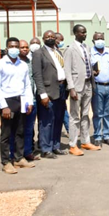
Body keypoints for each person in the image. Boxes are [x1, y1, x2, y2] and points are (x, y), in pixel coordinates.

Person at [0, 37, 35, 174]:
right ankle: (6, 161)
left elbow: (27, 84)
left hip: (21, 100)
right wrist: (4, 106)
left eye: (17, 46)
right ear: (6, 48)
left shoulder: (22, 64)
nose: (15, 49)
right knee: (6, 133)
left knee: (20, 131)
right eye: (12, 46)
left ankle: (19, 158)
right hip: (7, 101)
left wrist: (29, 101)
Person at [64, 24, 101, 155]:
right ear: (75, 33)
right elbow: (67, 70)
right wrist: (71, 88)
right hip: (76, 86)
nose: (84, 34)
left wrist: (93, 73)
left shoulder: (86, 47)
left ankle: (85, 141)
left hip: (88, 85)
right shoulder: (70, 49)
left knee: (85, 115)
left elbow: (87, 65)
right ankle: (73, 144)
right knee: (74, 116)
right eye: (81, 32)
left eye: (85, 32)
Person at [32, 30, 68, 159]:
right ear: (43, 38)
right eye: (48, 37)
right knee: (46, 121)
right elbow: (37, 75)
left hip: (61, 89)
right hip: (48, 91)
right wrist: (42, 94)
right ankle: (46, 148)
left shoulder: (57, 52)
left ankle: (55, 146)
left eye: (52, 36)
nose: (50, 38)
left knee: (58, 119)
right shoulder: (38, 53)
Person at [91, 32, 109, 147]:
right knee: (97, 113)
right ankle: (97, 136)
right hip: (97, 86)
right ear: (93, 41)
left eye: (101, 38)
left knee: (108, 112)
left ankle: (107, 135)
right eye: (97, 39)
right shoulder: (89, 53)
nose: (99, 41)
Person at [18, 39, 40, 161]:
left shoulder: (30, 61)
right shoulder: (14, 63)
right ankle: (16, 155)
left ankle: (27, 152)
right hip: (18, 101)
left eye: (26, 47)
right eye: (22, 47)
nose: (25, 49)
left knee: (28, 128)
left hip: (31, 99)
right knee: (18, 129)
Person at [55, 32, 70, 135]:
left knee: (63, 108)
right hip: (54, 86)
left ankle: (68, 128)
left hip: (62, 86)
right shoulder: (50, 52)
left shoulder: (59, 52)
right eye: (61, 40)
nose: (62, 42)